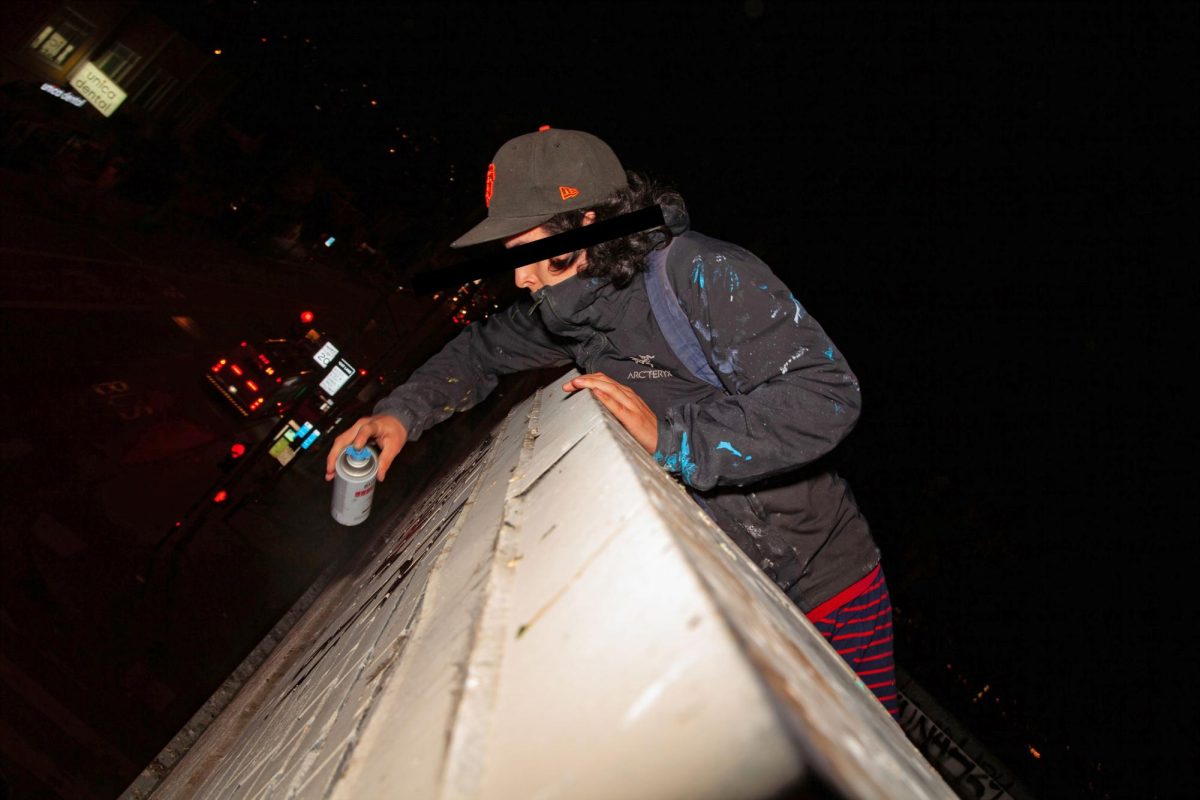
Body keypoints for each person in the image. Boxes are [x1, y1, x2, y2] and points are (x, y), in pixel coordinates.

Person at [325, 127, 898, 717]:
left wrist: (674, 439)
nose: (519, 275)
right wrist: (399, 414)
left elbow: (823, 394)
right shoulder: (570, 307)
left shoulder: (700, 272)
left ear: (588, 224)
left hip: (824, 585)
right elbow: (480, 353)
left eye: (527, 247)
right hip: (717, 582)